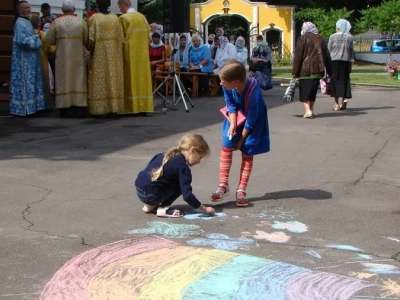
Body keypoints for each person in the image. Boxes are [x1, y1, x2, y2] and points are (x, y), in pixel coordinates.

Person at [211, 60, 270, 207]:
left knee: (248, 148)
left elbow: (251, 119)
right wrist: (232, 123)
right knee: (227, 141)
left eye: (223, 82)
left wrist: (241, 139)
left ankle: (241, 189)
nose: (221, 84)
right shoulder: (227, 86)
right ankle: (223, 184)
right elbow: (230, 104)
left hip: (252, 120)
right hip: (236, 115)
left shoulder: (253, 91)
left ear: (236, 81)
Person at [135, 133, 215, 218]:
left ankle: (150, 205)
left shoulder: (164, 155)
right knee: (180, 185)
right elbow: (187, 195)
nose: (199, 162)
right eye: (200, 157)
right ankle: (163, 208)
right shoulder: (183, 168)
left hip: (139, 190)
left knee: (160, 181)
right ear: (193, 151)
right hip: (152, 196)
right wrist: (204, 209)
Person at [46, 0, 89, 118]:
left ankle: (64, 108)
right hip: (77, 58)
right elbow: (86, 39)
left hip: (62, 57)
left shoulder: (56, 22)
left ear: (62, 10)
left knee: (63, 79)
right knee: (77, 79)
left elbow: (49, 40)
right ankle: (78, 106)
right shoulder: (81, 22)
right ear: (74, 10)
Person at [87, 0, 125, 116]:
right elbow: (121, 39)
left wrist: (89, 48)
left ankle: (99, 109)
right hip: (114, 57)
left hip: (99, 56)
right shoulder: (115, 19)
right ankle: (114, 107)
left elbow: (90, 40)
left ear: (97, 5)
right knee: (112, 79)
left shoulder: (94, 18)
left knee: (100, 79)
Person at [10, 1, 47, 116]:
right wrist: (36, 39)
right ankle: (26, 108)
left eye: (29, 7)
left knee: (33, 82)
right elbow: (22, 41)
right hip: (23, 62)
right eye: (26, 8)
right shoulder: (20, 23)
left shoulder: (27, 22)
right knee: (27, 84)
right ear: (20, 10)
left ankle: (34, 107)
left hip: (30, 61)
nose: (28, 9)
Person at [118, 0, 153, 114]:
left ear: (123, 5)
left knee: (131, 80)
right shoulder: (142, 17)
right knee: (142, 80)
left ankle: (132, 108)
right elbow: (148, 35)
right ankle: (143, 107)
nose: (120, 10)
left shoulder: (124, 18)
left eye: (120, 7)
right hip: (142, 55)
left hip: (130, 55)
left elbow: (120, 38)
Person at [292, 22, 332, 118]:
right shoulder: (320, 39)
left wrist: (295, 72)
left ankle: (308, 110)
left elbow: (298, 57)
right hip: (317, 70)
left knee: (305, 91)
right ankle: (311, 110)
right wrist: (330, 71)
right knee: (312, 91)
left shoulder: (302, 38)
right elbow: (326, 56)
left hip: (304, 70)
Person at [328, 19, 355, 111]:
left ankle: (336, 104)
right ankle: (344, 100)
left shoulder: (332, 37)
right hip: (345, 62)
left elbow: (329, 50)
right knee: (345, 81)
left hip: (334, 62)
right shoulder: (350, 37)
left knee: (335, 81)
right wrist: (351, 65)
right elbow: (351, 52)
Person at [30, 15, 54, 101]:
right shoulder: (43, 34)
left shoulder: (29, 34)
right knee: (43, 82)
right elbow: (51, 49)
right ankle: (44, 102)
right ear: (39, 23)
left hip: (30, 62)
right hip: (42, 61)